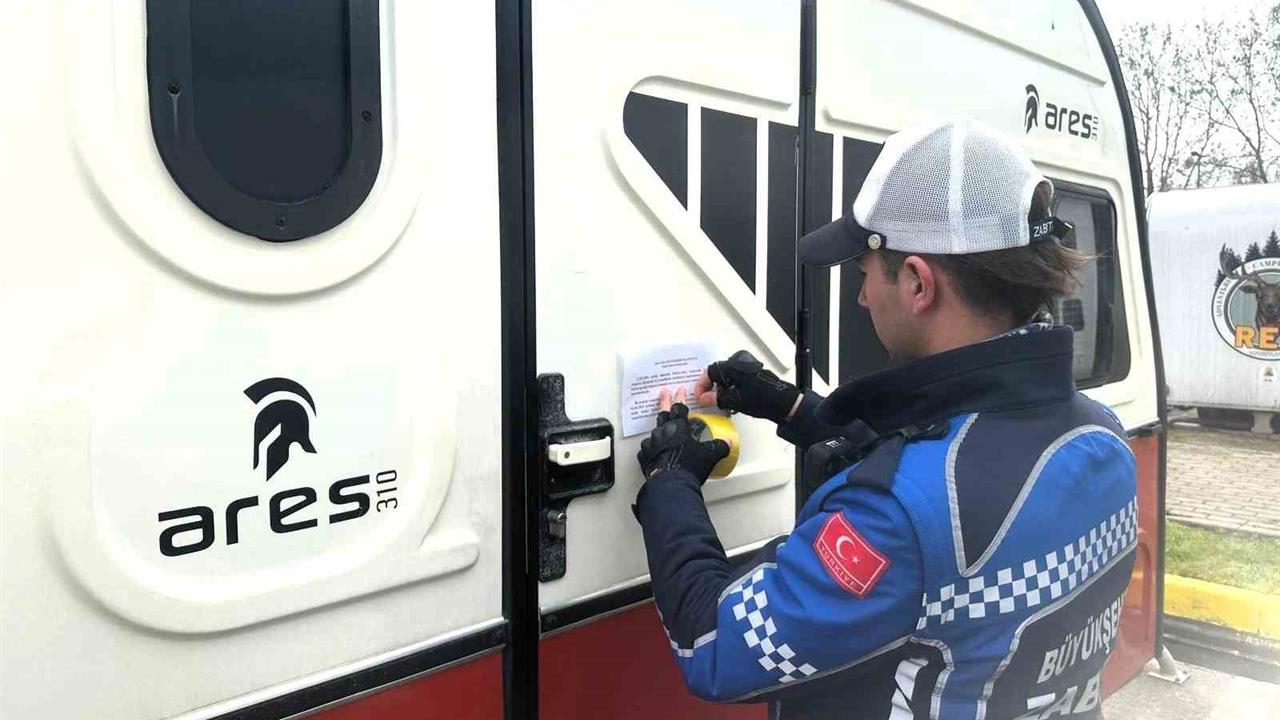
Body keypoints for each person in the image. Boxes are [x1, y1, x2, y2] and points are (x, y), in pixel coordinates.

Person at [633, 119, 1137, 720]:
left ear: (918, 283)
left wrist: (669, 481)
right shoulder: (1100, 436)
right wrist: (787, 405)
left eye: (864, 273)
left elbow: (713, 643)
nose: (861, 296)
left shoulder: (897, 520)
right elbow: (952, 457)